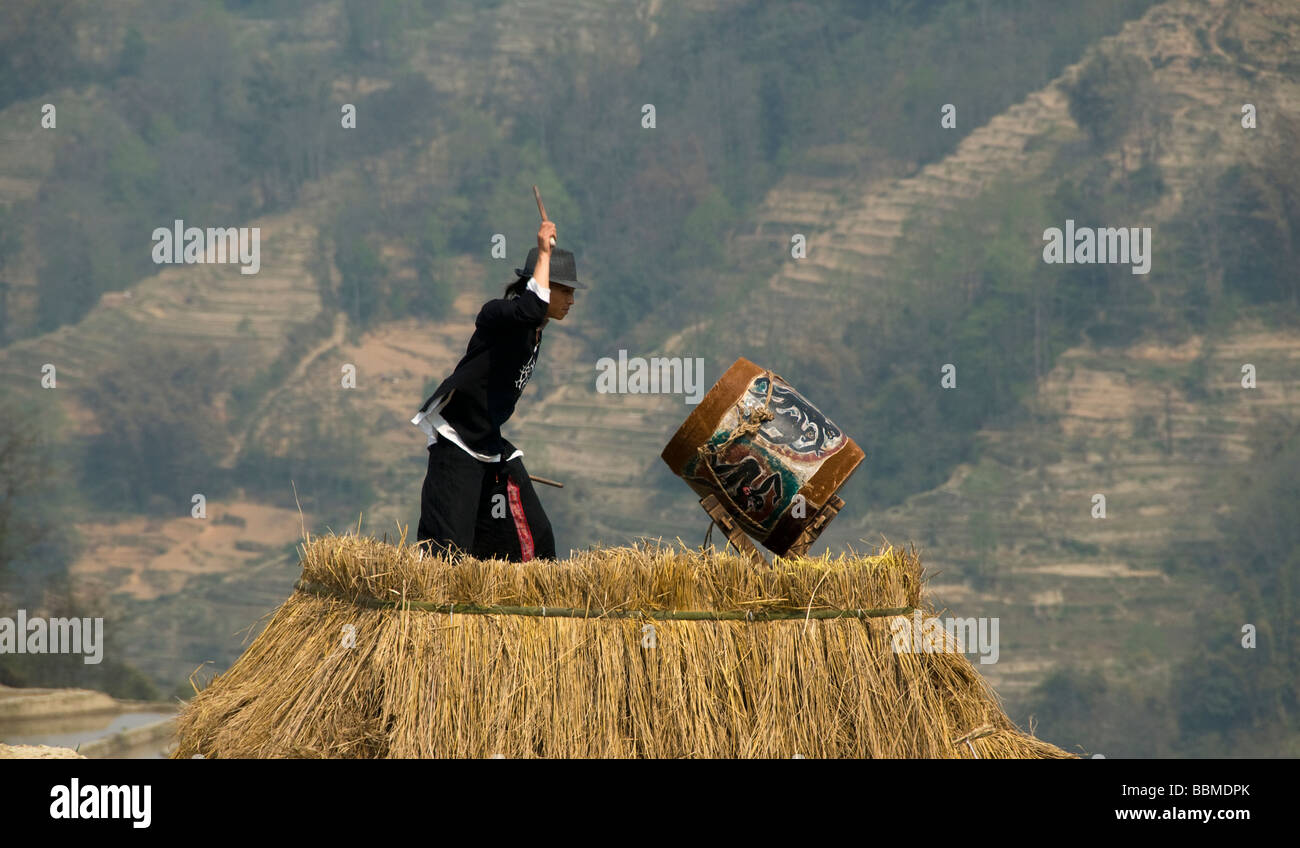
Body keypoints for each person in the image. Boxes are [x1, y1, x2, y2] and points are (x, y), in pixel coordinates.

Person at [411, 219, 583, 562]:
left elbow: (534, 313)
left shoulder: (535, 332)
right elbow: (530, 309)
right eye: (565, 291)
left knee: (538, 539)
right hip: (457, 439)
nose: (572, 300)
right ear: (541, 284)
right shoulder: (498, 315)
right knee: (448, 553)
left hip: (491, 444)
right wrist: (543, 251)